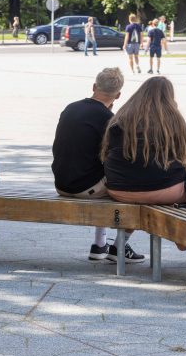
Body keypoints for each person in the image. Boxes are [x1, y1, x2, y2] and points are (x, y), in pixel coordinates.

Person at [101, 76, 186, 265]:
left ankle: (119, 245)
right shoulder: (171, 117)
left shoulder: (121, 116)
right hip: (160, 190)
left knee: (142, 192)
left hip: (118, 189)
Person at [52, 68, 144, 264]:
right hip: (85, 188)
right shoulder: (109, 119)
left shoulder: (70, 108)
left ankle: (99, 244)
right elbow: (120, 157)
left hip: (61, 184)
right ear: (118, 95)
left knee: (101, 176)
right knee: (137, 192)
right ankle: (119, 246)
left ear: (94, 87)